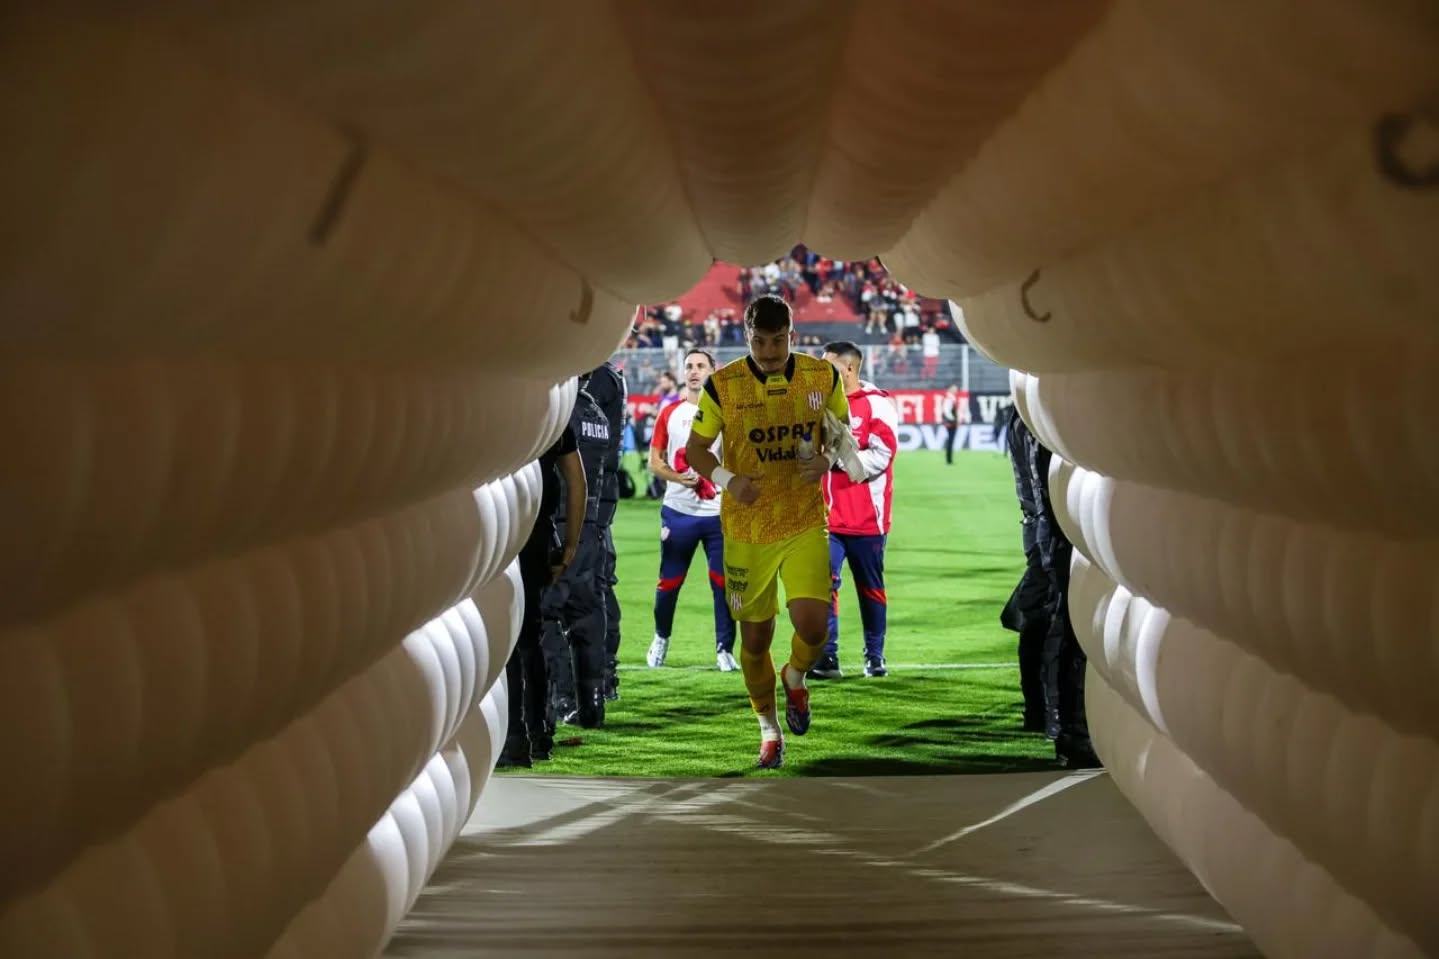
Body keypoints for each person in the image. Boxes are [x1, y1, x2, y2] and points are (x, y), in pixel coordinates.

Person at [684, 294, 861, 769]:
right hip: (746, 529)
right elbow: (696, 450)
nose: (768, 351)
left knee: (814, 625)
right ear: (747, 337)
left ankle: (796, 677)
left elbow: (842, 431)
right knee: (755, 640)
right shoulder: (722, 385)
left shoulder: (821, 376)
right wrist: (729, 480)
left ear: (791, 336)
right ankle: (769, 730)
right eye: (759, 341)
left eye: (777, 340)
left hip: (804, 520)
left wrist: (826, 460)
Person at [1004, 409, 1101, 769]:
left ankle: (1043, 713)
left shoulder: (1027, 416)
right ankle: (1065, 727)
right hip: (1057, 530)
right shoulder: (1045, 421)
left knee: (1046, 616)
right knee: (1064, 622)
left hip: (1043, 525)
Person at [497, 418, 586, 768]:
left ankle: (512, 736)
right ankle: (537, 734)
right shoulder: (551, 415)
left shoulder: (493, 412)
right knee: (530, 635)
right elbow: (577, 481)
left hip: (498, 531)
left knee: (503, 637)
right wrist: (571, 544)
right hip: (537, 532)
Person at [644, 349, 738, 672]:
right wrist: (678, 477)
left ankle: (724, 649)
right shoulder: (669, 413)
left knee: (723, 583)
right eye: (689, 366)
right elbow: (654, 461)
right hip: (678, 511)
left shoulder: (727, 415)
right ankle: (661, 637)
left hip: (717, 513)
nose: (694, 371)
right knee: (669, 583)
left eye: (700, 366)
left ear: (713, 371)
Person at [811, 341, 899, 680]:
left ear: (848, 368)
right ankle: (827, 656)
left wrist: (840, 458)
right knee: (824, 584)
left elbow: (883, 454)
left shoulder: (877, 404)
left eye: (828, 366)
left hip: (868, 518)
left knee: (870, 589)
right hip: (827, 517)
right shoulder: (817, 404)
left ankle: (874, 656)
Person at [540, 386, 613, 730]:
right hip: (592, 530)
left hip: (561, 526)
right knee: (587, 618)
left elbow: (570, 479)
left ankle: (560, 702)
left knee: (547, 616)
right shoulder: (596, 412)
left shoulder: (560, 411)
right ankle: (592, 705)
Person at [581, 361, 628, 701]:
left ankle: (600, 675)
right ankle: (599, 676)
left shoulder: (601, 380)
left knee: (591, 586)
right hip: (594, 497)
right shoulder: (607, 377)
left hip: (590, 499)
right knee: (595, 585)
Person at [940, 384, 961, 465]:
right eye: (954, 389)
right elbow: (946, 411)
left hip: (951, 421)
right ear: (950, 389)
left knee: (951, 440)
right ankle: (949, 460)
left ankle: (949, 459)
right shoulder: (949, 398)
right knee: (950, 440)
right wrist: (953, 420)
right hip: (951, 422)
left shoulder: (951, 398)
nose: (956, 390)